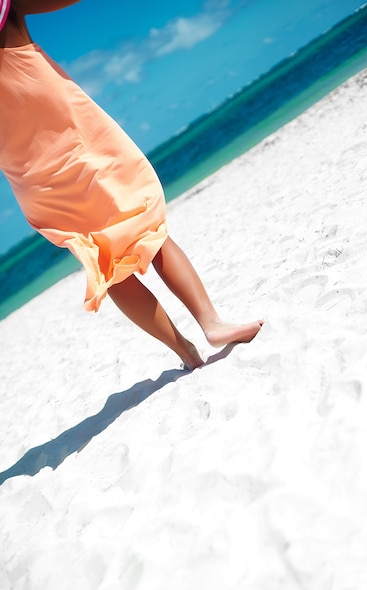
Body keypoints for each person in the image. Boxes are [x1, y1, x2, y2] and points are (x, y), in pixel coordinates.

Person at [0, 0, 263, 370]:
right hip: (78, 138)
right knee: (147, 229)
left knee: (105, 264)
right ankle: (211, 323)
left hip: (28, 170)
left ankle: (185, 352)